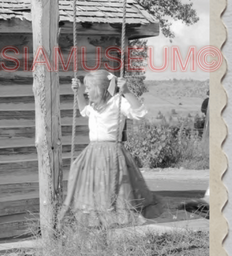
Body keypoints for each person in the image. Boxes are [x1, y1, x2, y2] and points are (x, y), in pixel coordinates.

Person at [59, 70, 162, 228]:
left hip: (111, 152)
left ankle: (109, 223)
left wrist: (126, 92)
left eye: (88, 87)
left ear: (99, 88)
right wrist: (78, 92)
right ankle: (97, 225)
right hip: (92, 153)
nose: (86, 91)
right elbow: (82, 110)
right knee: (88, 182)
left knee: (110, 186)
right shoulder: (94, 106)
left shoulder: (117, 102)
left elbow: (140, 113)